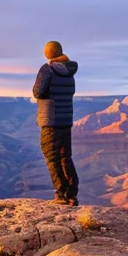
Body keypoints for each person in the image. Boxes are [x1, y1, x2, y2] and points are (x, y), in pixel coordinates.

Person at [33, 40, 79, 205]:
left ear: (48, 54)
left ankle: (61, 194)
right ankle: (71, 194)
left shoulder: (47, 70)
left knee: (51, 156)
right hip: (65, 120)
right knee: (65, 156)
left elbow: (38, 92)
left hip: (50, 120)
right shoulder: (70, 71)